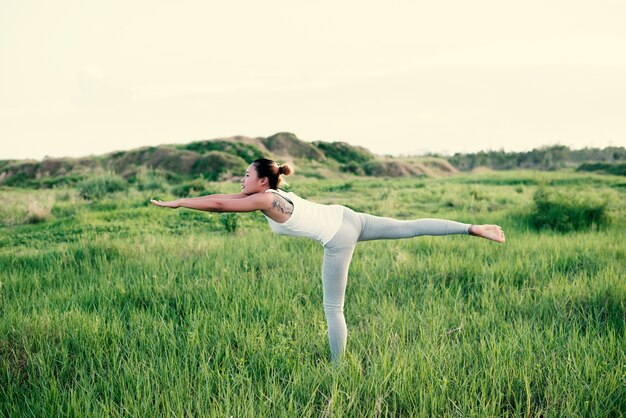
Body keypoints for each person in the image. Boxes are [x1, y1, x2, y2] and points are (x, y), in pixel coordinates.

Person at [150, 158, 505, 363]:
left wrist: (180, 202)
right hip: (349, 217)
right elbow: (225, 197)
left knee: (334, 308)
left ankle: (337, 370)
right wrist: (184, 199)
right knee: (409, 227)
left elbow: (220, 205)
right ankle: (472, 228)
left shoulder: (263, 199)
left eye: (246, 174)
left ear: (261, 181)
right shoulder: (270, 193)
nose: (241, 179)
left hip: (338, 238)